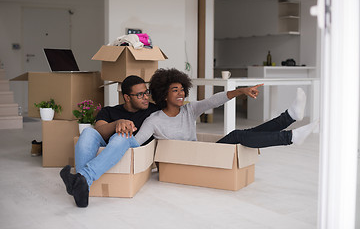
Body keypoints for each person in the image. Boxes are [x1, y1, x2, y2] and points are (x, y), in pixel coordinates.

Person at [61, 68, 318, 208]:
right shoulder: (153, 119)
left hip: (199, 153)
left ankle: (289, 119)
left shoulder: (189, 109)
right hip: (188, 160)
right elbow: (137, 142)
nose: (182, 93)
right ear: (164, 94)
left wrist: (240, 91)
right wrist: (122, 134)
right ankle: (289, 135)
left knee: (241, 135)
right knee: (240, 135)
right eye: (175, 90)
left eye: (183, 89)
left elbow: (214, 100)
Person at [60, 75, 159, 207]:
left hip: (134, 146)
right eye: (140, 94)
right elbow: (99, 130)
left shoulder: (153, 110)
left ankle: (82, 178)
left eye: (146, 92)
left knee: (123, 135)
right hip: (109, 147)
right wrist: (117, 123)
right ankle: (81, 189)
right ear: (127, 97)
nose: (146, 97)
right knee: (88, 132)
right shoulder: (109, 111)